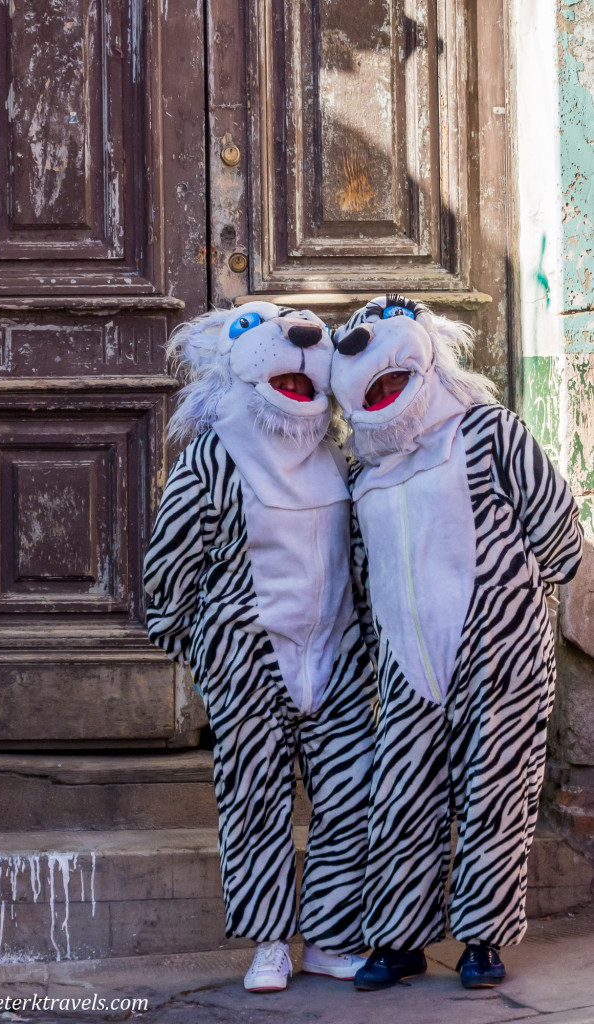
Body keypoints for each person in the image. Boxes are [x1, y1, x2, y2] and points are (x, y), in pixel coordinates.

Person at [330, 294, 583, 991]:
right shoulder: (363, 474)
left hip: (499, 654)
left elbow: (554, 521)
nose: (380, 387)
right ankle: (400, 938)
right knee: (401, 795)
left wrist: (534, 609)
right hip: (408, 663)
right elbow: (359, 567)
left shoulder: (489, 432)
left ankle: (483, 939)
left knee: (493, 790)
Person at [144, 302, 378, 992]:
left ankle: (333, 935)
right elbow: (169, 568)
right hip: (249, 662)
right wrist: (209, 650)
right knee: (254, 799)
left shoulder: (337, 454)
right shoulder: (216, 457)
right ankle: (271, 941)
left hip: (335, 658)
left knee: (351, 791)